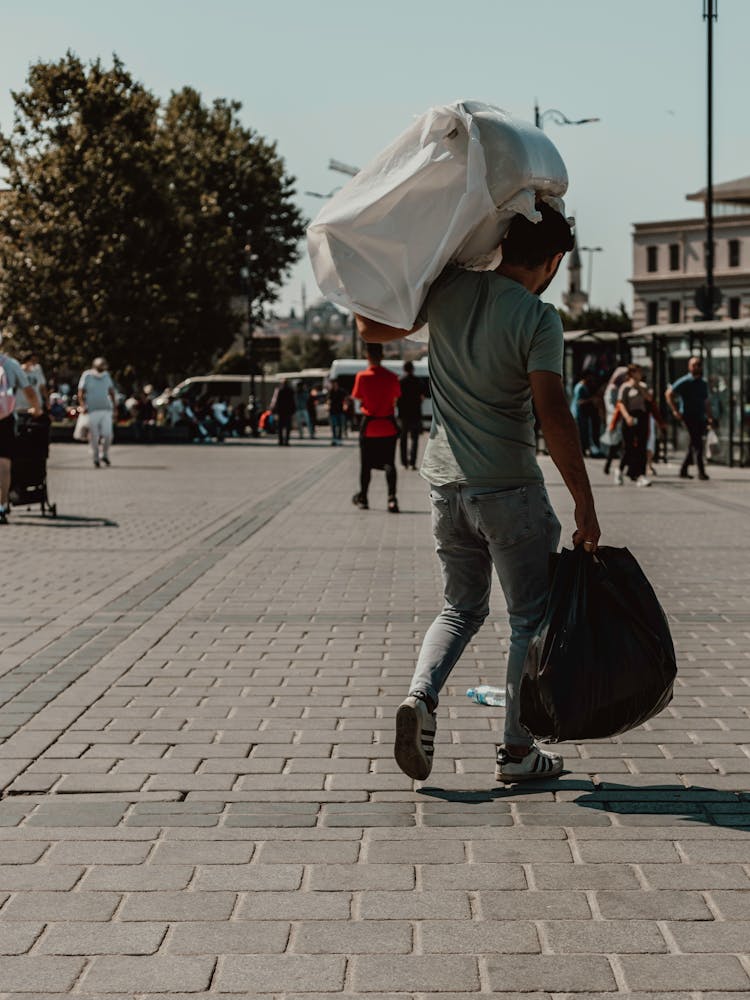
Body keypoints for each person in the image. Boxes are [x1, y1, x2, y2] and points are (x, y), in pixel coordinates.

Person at [355, 202, 600, 784]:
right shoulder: (538, 319)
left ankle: (421, 696)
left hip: (444, 486)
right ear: (555, 260)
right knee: (528, 620)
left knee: (459, 608)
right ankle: (518, 752)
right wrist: (585, 504)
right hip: (509, 488)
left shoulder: (450, 290)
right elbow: (553, 415)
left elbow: (371, 329)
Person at [351, 342, 401, 512]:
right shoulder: (392, 377)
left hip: (369, 427)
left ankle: (364, 498)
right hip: (388, 426)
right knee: (389, 464)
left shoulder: (362, 377)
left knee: (366, 465)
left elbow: (358, 398)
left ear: (367, 356)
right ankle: (391, 499)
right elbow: (396, 398)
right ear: (382, 356)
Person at [0, 337, 42, 523]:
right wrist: (37, 410)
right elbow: (30, 391)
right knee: (4, 463)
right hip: (5, 417)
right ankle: (1, 505)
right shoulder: (11, 364)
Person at [665, 356, 713, 481]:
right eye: (694, 365)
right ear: (689, 367)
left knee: (694, 443)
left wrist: (709, 416)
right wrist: (675, 410)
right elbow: (668, 393)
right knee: (697, 443)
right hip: (688, 416)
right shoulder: (685, 381)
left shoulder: (703, 383)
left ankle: (683, 469)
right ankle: (701, 472)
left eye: (698, 364)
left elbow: (706, 401)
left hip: (700, 416)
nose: (696, 367)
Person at [616, 364, 655, 487]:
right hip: (630, 417)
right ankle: (620, 470)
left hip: (641, 417)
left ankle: (641, 475)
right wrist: (627, 416)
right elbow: (620, 404)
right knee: (629, 448)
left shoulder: (643, 386)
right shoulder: (625, 387)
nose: (640, 374)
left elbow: (649, 398)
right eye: (637, 372)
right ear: (632, 373)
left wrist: (638, 386)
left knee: (642, 447)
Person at [78, 357, 116, 468]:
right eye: (101, 365)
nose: (103, 367)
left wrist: (115, 407)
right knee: (94, 436)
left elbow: (111, 391)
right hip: (92, 410)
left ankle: (104, 454)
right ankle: (95, 458)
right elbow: (81, 392)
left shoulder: (106, 375)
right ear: (95, 366)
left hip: (106, 409)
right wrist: (82, 405)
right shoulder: (87, 375)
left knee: (108, 435)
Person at [601, 366, 628, 484]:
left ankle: (611, 465)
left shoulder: (621, 387)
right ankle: (613, 466)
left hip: (619, 419)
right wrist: (620, 411)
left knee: (617, 444)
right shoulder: (612, 389)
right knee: (618, 444)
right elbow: (611, 405)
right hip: (615, 419)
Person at [398, 360, 424, 469]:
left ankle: (404, 463)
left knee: (403, 439)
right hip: (415, 414)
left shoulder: (400, 381)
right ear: (413, 369)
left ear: (404, 369)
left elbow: (397, 398)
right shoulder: (418, 381)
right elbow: (422, 397)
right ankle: (413, 463)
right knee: (415, 439)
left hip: (403, 415)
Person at [570, 369, 598, 456]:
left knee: (583, 432)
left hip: (581, 413)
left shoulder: (582, 386)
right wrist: (591, 400)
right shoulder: (580, 387)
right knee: (581, 432)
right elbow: (579, 401)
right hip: (579, 413)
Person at [271, 378, 295, 446]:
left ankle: (281, 440)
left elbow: (275, 400)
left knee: (280, 427)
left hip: (281, 411)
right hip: (287, 411)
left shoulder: (279, 390)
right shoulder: (290, 390)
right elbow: (293, 401)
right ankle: (286, 441)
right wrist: (293, 410)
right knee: (287, 427)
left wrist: (273, 409)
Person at [327, 377, 347, 445]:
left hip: (340, 410)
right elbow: (328, 400)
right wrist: (327, 405)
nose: (333, 385)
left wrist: (345, 405)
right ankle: (334, 439)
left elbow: (345, 399)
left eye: (334, 383)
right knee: (333, 425)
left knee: (340, 425)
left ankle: (339, 439)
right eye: (332, 384)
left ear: (337, 384)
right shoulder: (330, 391)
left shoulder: (342, 391)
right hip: (332, 411)